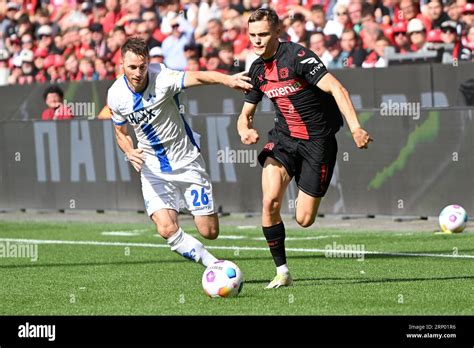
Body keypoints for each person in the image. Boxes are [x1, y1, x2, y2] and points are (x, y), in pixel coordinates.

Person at [237, 8, 372, 289]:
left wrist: (356, 127)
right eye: (252, 35)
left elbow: (338, 89)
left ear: (277, 33)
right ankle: (282, 272)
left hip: (317, 142)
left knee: (304, 219)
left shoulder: (299, 57)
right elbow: (245, 113)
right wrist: (244, 128)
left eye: (262, 34)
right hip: (284, 140)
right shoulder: (257, 69)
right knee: (270, 201)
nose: (257, 41)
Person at [108, 38, 252, 269]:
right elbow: (119, 130)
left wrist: (228, 79)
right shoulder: (116, 95)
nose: (137, 73)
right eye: (132, 67)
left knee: (209, 231)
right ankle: (214, 265)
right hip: (152, 168)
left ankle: (188, 203)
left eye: (142, 66)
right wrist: (129, 150)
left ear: (148, 63)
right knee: (165, 228)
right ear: (121, 65)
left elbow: (198, 77)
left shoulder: (163, 79)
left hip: (186, 161)